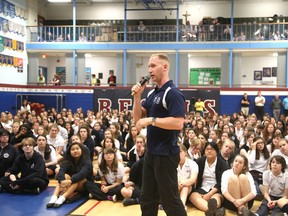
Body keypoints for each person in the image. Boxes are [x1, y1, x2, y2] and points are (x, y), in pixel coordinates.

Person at [131, 53, 187, 216]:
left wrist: (151, 120)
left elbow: (178, 122)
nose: (150, 70)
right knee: (147, 200)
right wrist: (137, 96)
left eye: (153, 66)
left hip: (166, 155)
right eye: (148, 66)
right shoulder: (151, 93)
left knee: (170, 202)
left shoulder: (173, 93)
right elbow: (137, 118)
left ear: (165, 67)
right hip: (151, 154)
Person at [46, 142, 93, 208]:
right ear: (69, 152)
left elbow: (82, 174)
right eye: (73, 149)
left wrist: (70, 181)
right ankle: (54, 197)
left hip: (83, 184)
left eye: (77, 149)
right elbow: (61, 171)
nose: (75, 151)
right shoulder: (67, 160)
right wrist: (62, 181)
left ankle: (62, 198)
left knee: (76, 179)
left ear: (81, 150)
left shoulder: (86, 160)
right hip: (69, 184)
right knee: (65, 176)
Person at [189, 142, 228, 216]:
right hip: (202, 188)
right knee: (192, 196)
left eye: (212, 149)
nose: (209, 151)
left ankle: (211, 210)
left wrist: (209, 194)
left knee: (215, 199)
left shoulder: (222, 164)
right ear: (204, 151)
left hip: (216, 190)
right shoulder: (200, 161)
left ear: (216, 151)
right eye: (207, 149)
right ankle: (215, 212)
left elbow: (222, 182)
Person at [176, 144, 198, 211]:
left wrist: (182, 183)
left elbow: (193, 179)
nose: (177, 154)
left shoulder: (192, 163)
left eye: (180, 152)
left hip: (188, 188)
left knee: (186, 187)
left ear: (185, 152)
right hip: (175, 186)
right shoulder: (172, 163)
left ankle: (181, 207)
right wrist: (176, 184)